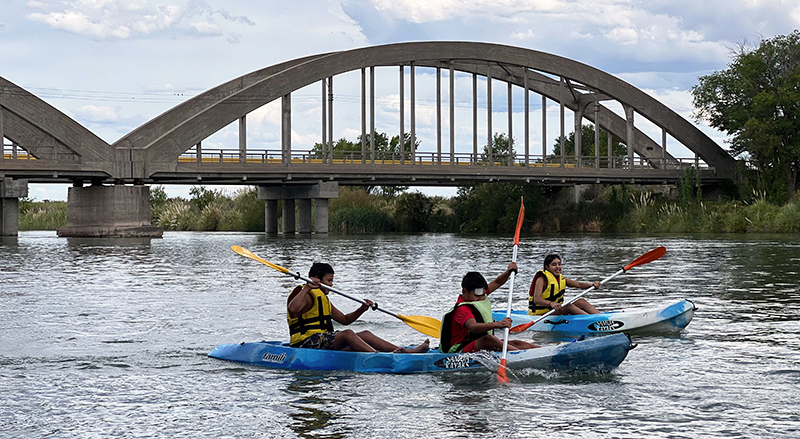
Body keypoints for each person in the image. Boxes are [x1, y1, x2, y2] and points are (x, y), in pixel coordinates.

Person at [287, 262, 430, 353]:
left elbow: (344, 319)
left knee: (365, 334)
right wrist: (307, 288)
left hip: (324, 341)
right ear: (317, 279)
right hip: (306, 343)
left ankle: (405, 351)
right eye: (329, 281)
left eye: (332, 281)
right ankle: (378, 357)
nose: (331, 285)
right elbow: (293, 310)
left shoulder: (322, 298)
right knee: (348, 334)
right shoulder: (305, 293)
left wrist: (361, 309)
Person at [440, 263, 539, 353]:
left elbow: (497, 282)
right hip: (458, 351)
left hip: (476, 344)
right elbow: (473, 327)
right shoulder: (462, 309)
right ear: (464, 291)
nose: (481, 298)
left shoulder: (478, 295)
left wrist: (508, 272)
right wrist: (498, 324)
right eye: (478, 295)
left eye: (483, 294)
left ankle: (541, 351)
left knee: (516, 343)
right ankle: (520, 355)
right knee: (488, 339)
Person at [528, 254, 601, 315]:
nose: (558, 267)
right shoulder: (542, 279)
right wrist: (551, 303)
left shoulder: (561, 278)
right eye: (554, 265)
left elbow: (578, 284)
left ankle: (600, 317)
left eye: (559, 264)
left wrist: (592, 285)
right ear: (547, 267)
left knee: (581, 301)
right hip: (541, 315)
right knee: (568, 306)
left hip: (555, 311)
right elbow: (537, 299)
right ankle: (592, 320)